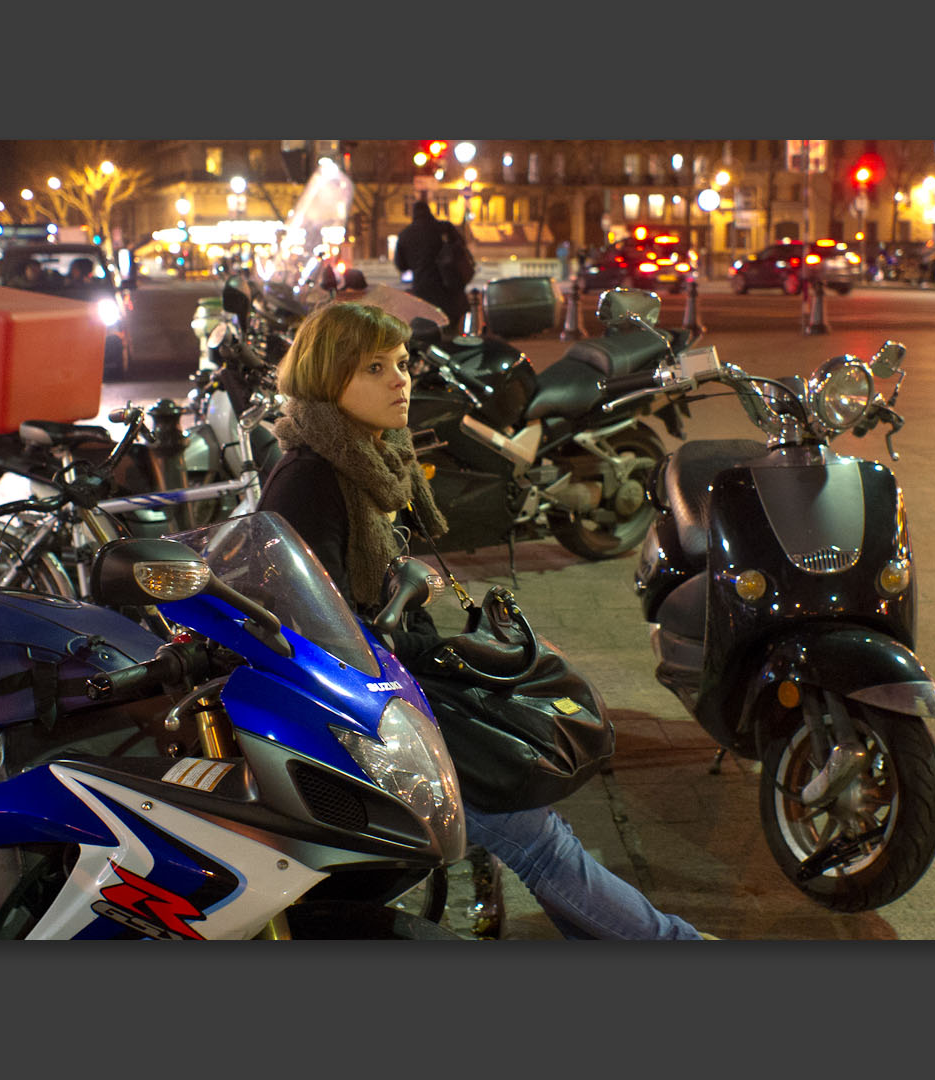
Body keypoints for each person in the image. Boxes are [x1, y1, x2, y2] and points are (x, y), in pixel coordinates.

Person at [256, 301, 709, 940]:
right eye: (374, 368)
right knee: (538, 836)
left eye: (403, 364)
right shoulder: (310, 479)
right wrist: (399, 617)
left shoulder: (367, 459)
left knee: (532, 802)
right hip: (368, 710)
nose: (400, 381)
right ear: (327, 381)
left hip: (400, 682)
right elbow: (313, 622)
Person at [394, 199, 471, 330]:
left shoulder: (405, 235)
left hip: (423, 292)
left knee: (428, 330)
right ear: (429, 212)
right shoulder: (444, 228)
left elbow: (401, 265)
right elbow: (462, 248)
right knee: (451, 329)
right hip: (449, 288)